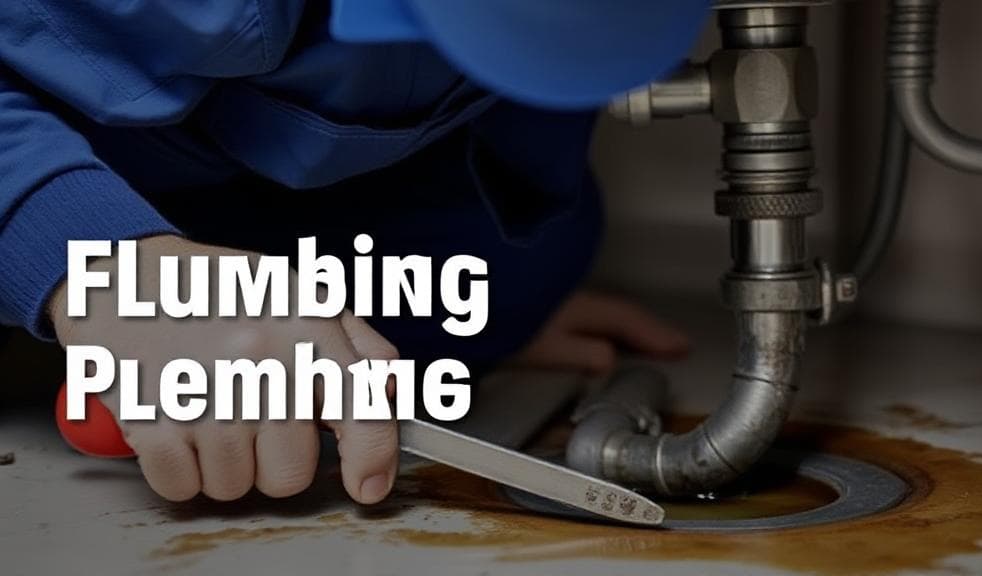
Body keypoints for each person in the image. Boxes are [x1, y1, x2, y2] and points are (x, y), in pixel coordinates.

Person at [0, 1, 709, 504]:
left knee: (521, 266)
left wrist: (471, 299)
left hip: (260, 169)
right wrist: (102, 267)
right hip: (69, 146)